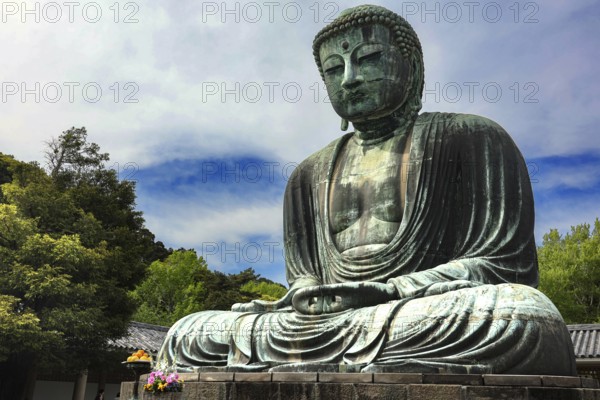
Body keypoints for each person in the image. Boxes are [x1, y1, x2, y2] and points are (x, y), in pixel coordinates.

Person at [158, 5, 576, 375]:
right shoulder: (307, 174)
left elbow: (505, 265)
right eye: (333, 70)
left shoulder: (471, 138)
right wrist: (304, 296)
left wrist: (392, 290)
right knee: (188, 334)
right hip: (323, 326)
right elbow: (304, 276)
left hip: (415, 311)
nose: (350, 79)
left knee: (523, 316)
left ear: (409, 65)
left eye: (369, 58)